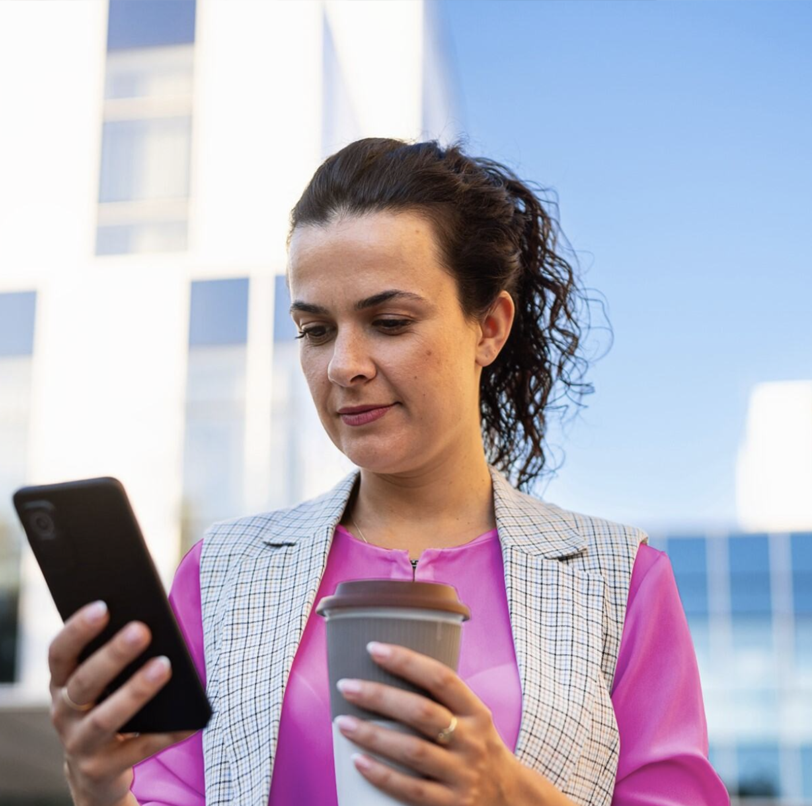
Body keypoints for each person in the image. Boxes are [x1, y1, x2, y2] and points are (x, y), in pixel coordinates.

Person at [47, 137, 730, 806]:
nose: (344, 364)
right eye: (316, 331)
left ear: (489, 327)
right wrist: (102, 790)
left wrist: (511, 797)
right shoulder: (221, 573)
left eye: (390, 321)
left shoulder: (619, 580)